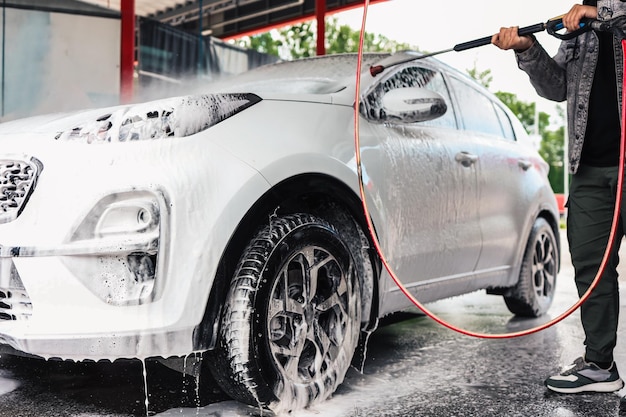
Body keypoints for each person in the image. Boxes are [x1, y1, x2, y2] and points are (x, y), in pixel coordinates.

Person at [492, 0, 626, 394]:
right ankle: (601, 366)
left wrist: (600, 15)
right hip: (589, 169)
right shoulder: (577, 28)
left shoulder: (597, 14)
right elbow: (557, 87)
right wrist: (525, 48)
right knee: (591, 268)